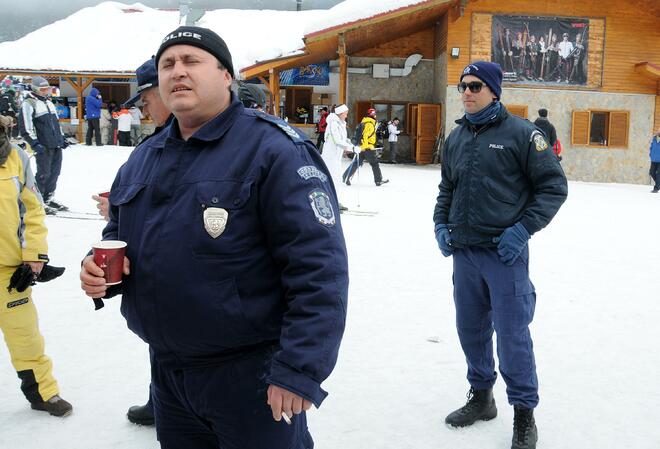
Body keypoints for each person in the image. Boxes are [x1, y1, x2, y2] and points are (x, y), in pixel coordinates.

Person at [80, 26, 348, 448]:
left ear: (226, 75)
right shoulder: (145, 157)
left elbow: (318, 269)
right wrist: (95, 270)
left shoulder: (272, 149)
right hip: (169, 375)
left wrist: (299, 370)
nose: (177, 72)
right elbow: (118, 234)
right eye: (168, 64)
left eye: (192, 61)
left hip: (252, 376)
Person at [433, 61, 567, 449]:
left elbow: (553, 187)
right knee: (470, 329)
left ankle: (524, 414)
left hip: (504, 255)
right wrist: (441, 225)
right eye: (463, 86)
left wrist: (522, 230)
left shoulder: (523, 135)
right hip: (465, 253)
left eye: (475, 86)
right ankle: (482, 397)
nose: (467, 93)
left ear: (494, 90)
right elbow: (447, 189)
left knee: (512, 336)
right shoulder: (457, 138)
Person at [93, 58, 173, 426]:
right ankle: (161, 399)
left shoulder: (242, 144)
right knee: (165, 348)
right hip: (158, 303)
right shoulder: (150, 148)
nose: (143, 109)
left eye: (145, 100)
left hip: (221, 324)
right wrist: (118, 212)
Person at [0, 116, 72, 417]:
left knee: (25, 335)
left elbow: (33, 209)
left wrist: (35, 254)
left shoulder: (16, 158)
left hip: (9, 270)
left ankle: (43, 393)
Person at [18, 76, 68, 214]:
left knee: (55, 173)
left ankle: (48, 198)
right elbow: (25, 128)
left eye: (48, 89)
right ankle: (37, 201)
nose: (46, 91)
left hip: (55, 144)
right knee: (43, 174)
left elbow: (56, 124)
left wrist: (62, 138)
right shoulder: (29, 104)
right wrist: (35, 144)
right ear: (35, 89)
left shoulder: (49, 103)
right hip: (42, 145)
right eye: (43, 89)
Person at [343, 108, 388, 186]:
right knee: (375, 163)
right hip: (367, 148)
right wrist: (367, 147)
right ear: (372, 115)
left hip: (362, 148)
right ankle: (378, 180)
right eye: (374, 114)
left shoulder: (366, 122)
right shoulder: (369, 124)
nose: (375, 115)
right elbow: (365, 137)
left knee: (357, 163)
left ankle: (346, 176)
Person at [321, 103, 353, 211]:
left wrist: (351, 145)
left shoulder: (341, 123)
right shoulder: (333, 124)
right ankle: (331, 202)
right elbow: (337, 141)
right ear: (340, 113)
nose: (346, 115)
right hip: (330, 157)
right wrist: (351, 149)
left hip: (336, 157)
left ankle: (334, 201)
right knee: (333, 179)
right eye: (345, 113)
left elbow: (343, 139)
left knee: (337, 180)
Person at [650, 127, 660, 193]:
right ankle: (658, 184)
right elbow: (651, 147)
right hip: (653, 159)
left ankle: (656, 188)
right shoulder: (654, 138)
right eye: (658, 130)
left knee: (658, 174)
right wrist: (650, 154)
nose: (658, 131)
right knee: (651, 172)